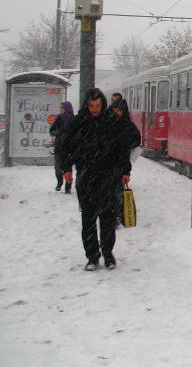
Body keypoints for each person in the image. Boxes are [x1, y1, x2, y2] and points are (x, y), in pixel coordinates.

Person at [58, 88, 137, 271]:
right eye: (91, 106)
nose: (94, 109)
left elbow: (121, 148)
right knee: (88, 218)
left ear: (103, 104)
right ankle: (92, 256)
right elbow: (65, 145)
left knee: (108, 219)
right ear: (87, 105)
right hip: (86, 177)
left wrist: (125, 170)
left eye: (98, 106)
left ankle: (108, 254)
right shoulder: (79, 123)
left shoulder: (111, 123)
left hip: (108, 177)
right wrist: (66, 168)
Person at [109, 98, 141, 226]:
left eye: (119, 110)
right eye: (114, 109)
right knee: (109, 193)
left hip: (119, 166)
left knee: (116, 193)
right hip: (106, 166)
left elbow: (135, 141)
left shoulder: (127, 126)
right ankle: (111, 215)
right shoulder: (107, 123)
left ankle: (115, 215)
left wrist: (126, 171)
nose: (116, 112)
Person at [49, 101, 75, 193]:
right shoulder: (58, 118)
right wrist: (60, 132)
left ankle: (68, 187)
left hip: (69, 148)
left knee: (68, 169)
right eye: (60, 108)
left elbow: (77, 133)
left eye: (62, 108)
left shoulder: (73, 119)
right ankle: (59, 183)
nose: (60, 109)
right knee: (58, 168)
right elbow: (51, 131)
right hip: (59, 147)